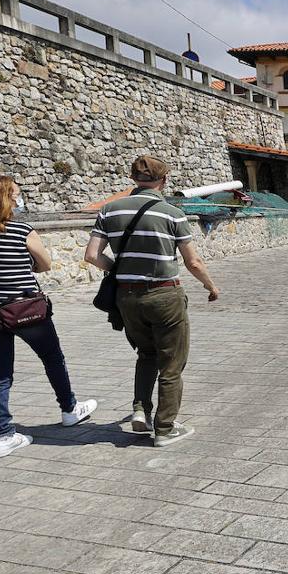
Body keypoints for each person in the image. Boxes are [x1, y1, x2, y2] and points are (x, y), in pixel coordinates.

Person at [83, 156, 219, 447]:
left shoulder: (108, 211)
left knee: (146, 355)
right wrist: (211, 286)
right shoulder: (171, 212)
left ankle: (141, 411)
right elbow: (192, 261)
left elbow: (92, 255)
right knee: (171, 363)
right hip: (164, 294)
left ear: (133, 178)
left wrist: (120, 269)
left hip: (126, 296)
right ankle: (165, 428)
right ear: (164, 180)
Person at [0, 173, 97, 458]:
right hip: (23, 309)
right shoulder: (22, 230)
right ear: (3, 197)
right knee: (52, 358)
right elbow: (44, 265)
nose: (17, 199)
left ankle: (2, 435)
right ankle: (69, 408)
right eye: (14, 194)